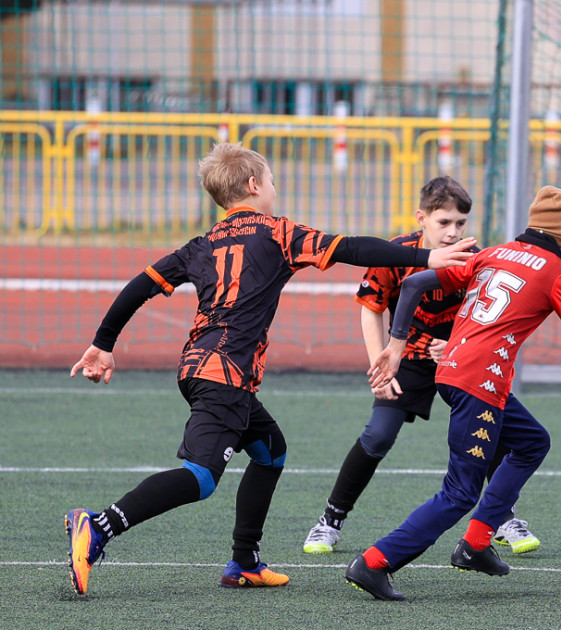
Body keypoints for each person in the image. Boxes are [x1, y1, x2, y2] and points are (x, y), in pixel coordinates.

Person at [64, 143, 476, 596]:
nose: (276, 189)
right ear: (254, 185)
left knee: (270, 451)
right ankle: (99, 525)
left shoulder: (202, 245)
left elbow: (139, 285)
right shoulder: (277, 232)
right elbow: (352, 247)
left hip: (203, 367)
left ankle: (244, 561)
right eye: (273, 181)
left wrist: (103, 343)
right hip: (223, 373)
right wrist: (425, 258)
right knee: (200, 479)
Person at [344, 186, 561, 600]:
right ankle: (374, 562)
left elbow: (416, 282)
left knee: (531, 442)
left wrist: (397, 344)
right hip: (479, 384)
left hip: (452, 372)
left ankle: (475, 544)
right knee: (459, 492)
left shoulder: (494, 253)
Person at [303, 176, 540, 556]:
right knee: (378, 435)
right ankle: (330, 519)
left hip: (461, 361)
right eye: (444, 222)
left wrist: (454, 345)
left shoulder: (474, 256)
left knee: (492, 429)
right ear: (422, 218)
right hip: (407, 358)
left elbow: (484, 317)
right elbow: (371, 310)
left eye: (460, 223)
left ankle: (500, 517)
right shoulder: (397, 254)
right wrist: (380, 366)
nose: (453, 232)